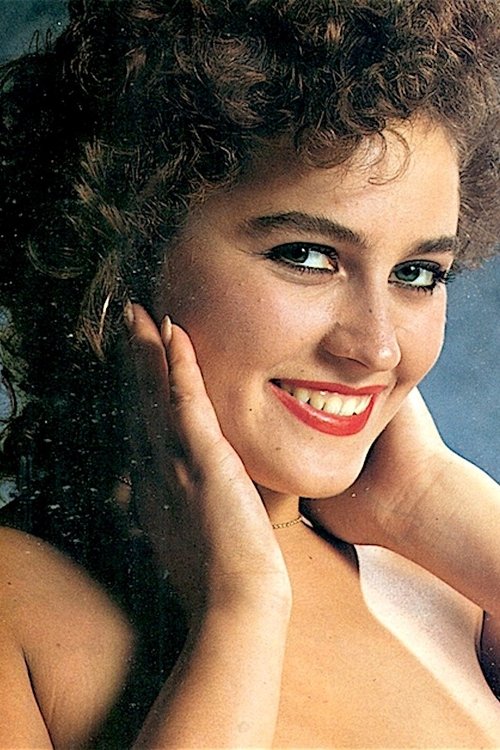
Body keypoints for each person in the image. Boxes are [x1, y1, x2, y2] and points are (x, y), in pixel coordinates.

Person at [0, 0, 499, 746]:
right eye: (306, 255)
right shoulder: (15, 607)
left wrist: (426, 499)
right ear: (123, 251)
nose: (378, 349)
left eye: (418, 273)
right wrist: (241, 608)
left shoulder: (445, 572)